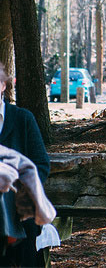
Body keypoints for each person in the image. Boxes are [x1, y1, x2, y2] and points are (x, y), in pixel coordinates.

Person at [0, 63, 51, 267]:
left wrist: (16, 187)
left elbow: (41, 165)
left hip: (20, 205)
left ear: (3, 85)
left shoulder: (22, 119)